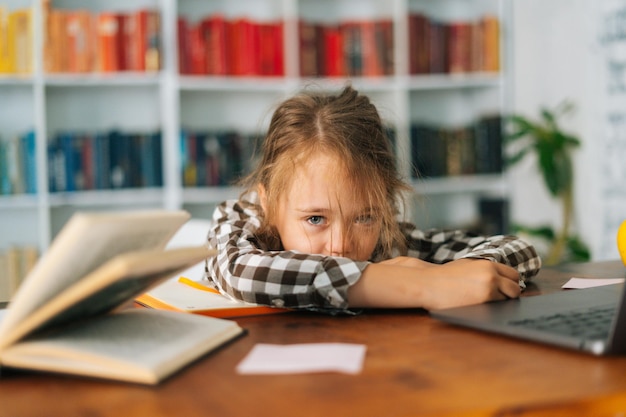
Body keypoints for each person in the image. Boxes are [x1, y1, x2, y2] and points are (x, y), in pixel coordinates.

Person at [205, 85, 541, 314]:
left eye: (364, 217)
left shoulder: (385, 243)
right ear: (268, 203)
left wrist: (463, 273)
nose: (340, 246)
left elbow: (518, 251)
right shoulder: (241, 222)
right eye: (315, 219)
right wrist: (422, 286)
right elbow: (239, 271)